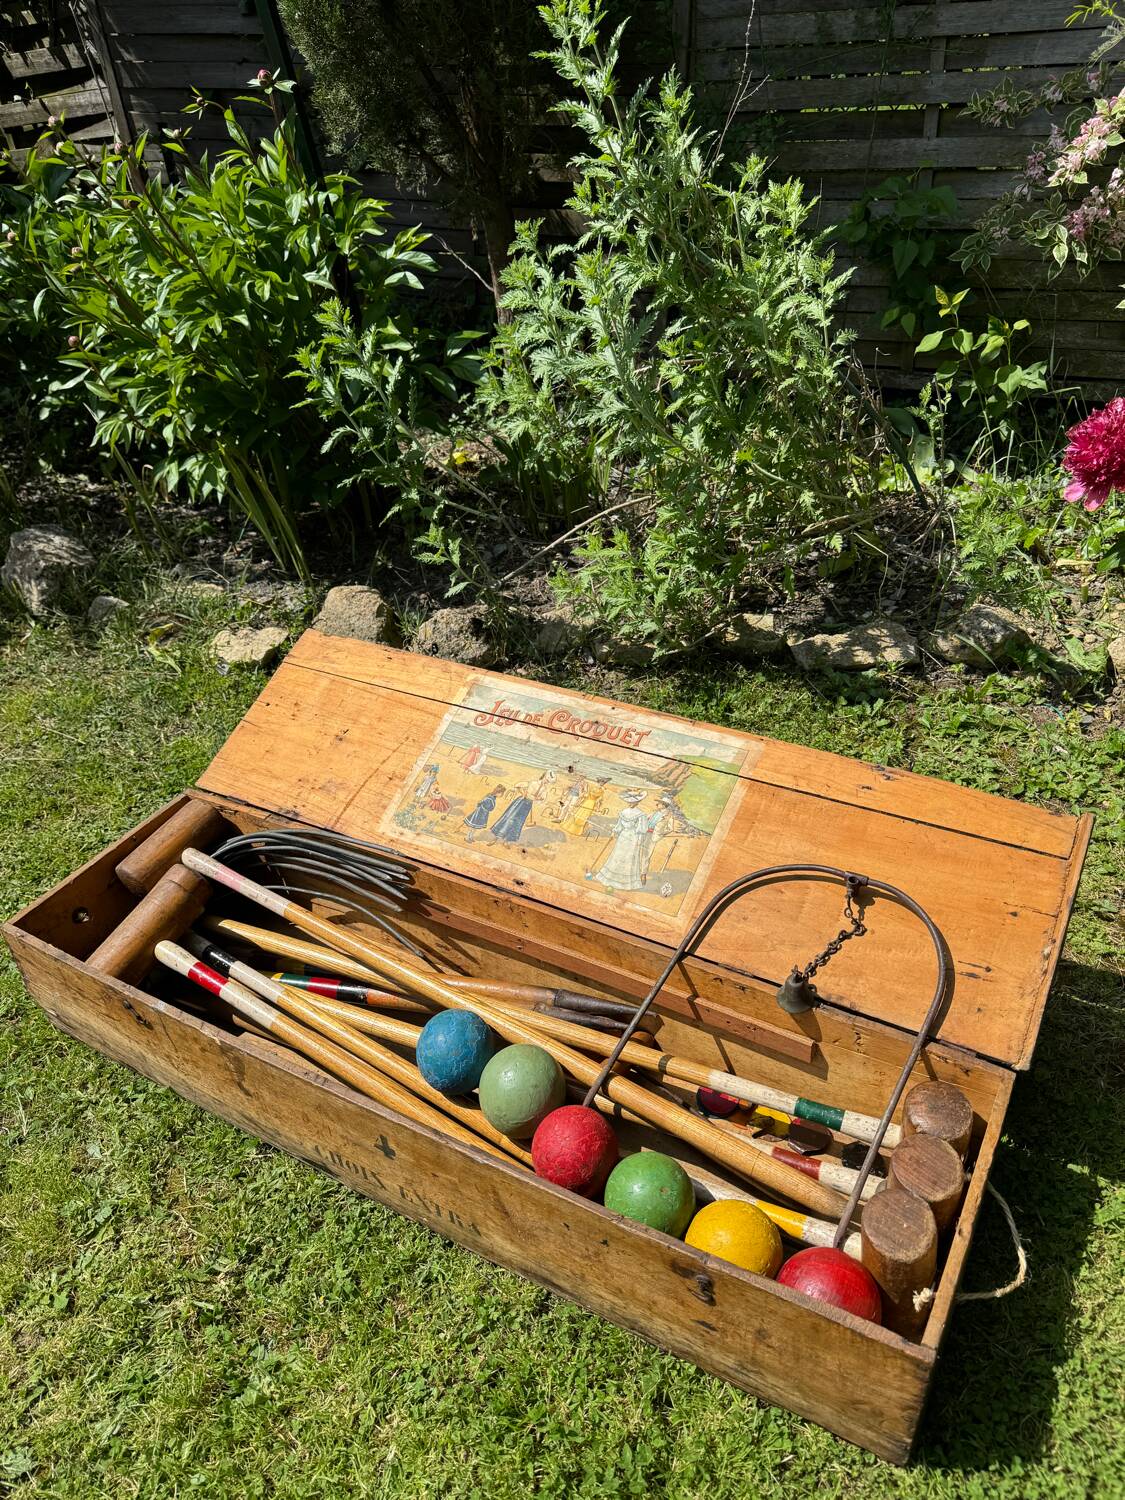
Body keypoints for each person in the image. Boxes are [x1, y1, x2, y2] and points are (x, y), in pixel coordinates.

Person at [585, 790, 662, 891]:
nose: (630, 803)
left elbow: (640, 829)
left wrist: (637, 839)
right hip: (625, 837)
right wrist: (615, 832)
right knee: (618, 855)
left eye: (632, 802)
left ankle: (623, 882)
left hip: (631, 838)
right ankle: (613, 879)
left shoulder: (639, 814)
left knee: (628, 858)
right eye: (629, 802)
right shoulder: (628, 813)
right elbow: (623, 826)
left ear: (637, 802)